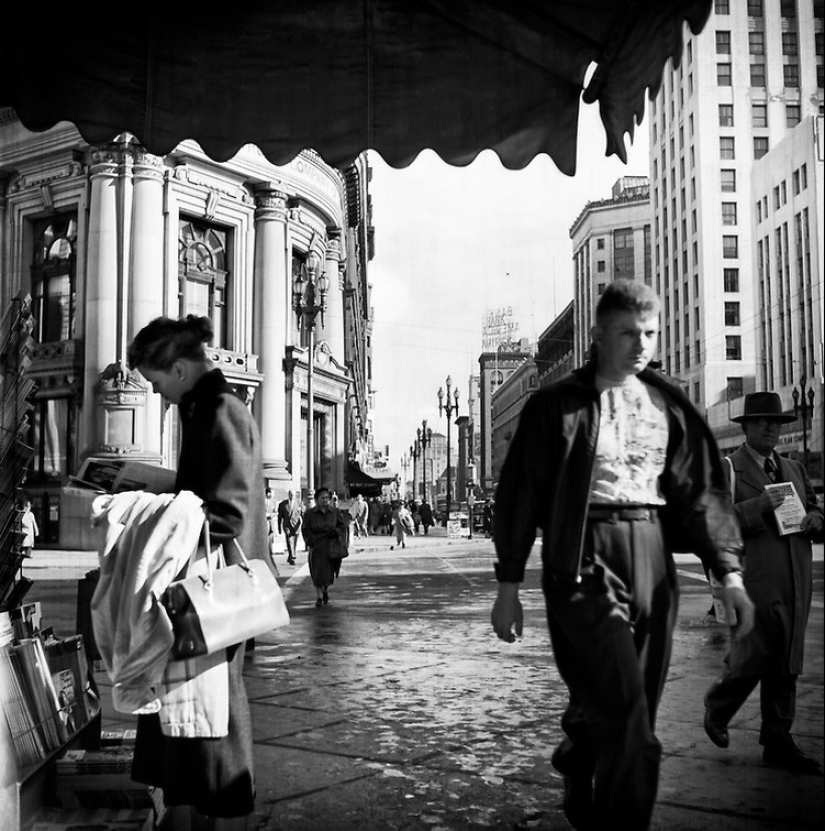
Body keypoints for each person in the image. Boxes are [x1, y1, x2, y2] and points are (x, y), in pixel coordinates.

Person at [490, 280, 755, 831]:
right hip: (583, 559)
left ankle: (578, 758)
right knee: (633, 723)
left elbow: (704, 490)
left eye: (650, 334)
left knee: (622, 699)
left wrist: (727, 573)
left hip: (653, 557)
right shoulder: (556, 406)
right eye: (628, 333)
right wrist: (508, 585)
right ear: (598, 335)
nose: (641, 345)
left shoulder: (670, 401)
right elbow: (520, 493)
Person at [126, 314, 266, 827]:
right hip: (207, 590)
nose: (159, 396)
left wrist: (155, 511)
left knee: (208, 716)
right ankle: (196, 812)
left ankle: (214, 812)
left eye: (158, 383)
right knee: (193, 713)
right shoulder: (205, 407)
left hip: (215, 594)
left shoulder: (220, 409)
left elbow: (227, 513)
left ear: (181, 370)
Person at [704, 391, 823, 773]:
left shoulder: (794, 468)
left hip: (794, 578)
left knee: (786, 661)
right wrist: (758, 508)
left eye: (775, 422)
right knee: (752, 658)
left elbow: (814, 508)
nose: (770, 428)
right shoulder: (728, 469)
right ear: (747, 427)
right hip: (752, 581)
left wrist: (818, 521)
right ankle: (718, 708)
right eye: (761, 422)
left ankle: (778, 738)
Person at [302, 486, 348, 607]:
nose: (325, 500)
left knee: (328, 573)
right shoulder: (310, 514)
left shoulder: (335, 512)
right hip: (317, 547)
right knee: (317, 572)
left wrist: (337, 532)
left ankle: (325, 589)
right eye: (322, 498)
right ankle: (319, 596)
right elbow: (305, 529)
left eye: (327, 498)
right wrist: (311, 541)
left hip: (331, 547)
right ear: (317, 499)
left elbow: (342, 526)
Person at [277, 489, 303, 565]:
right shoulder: (282, 504)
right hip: (287, 525)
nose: (292, 496)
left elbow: (303, 513)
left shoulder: (299, 503)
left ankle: (291, 555)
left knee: (294, 542)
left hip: (296, 525)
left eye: (293, 494)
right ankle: (293, 557)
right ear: (288, 495)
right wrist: (279, 527)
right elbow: (280, 516)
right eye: (290, 494)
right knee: (289, 541)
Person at [264, 487, 277, 555]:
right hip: (263, 522)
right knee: (264, 538)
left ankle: (270, 552)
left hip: (271, 522)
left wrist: (270, 514)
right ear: (268, 493)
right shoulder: (262, 501)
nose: (273, 495)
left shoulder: (273, 502)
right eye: (272, 493)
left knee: (270, 538)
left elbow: (276, 512)